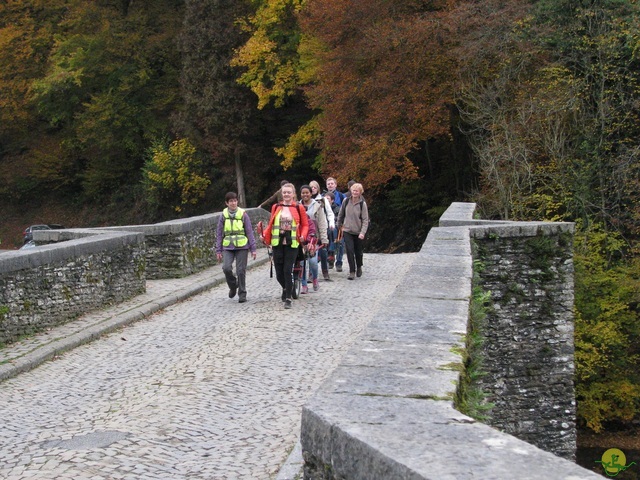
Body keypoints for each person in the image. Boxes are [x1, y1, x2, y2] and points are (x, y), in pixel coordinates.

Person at [263, 183, 310, 308]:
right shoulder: (276, 207)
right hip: (277, 242)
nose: (286, 194)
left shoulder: (298, 207)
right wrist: (265, 236)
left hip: (292, 243)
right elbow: (271, 224)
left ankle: (288, 297)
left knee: (287, 270)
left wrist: (303, 236)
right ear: (281, 194)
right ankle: (285, 288)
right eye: (284, 192)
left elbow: (305, 225)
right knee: (279, 273)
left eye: (289, 192)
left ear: (293, 194)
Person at [215, 192, 258, 303]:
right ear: (227, 203)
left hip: (242, 246)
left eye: (235, 200)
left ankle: (242, 293)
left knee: (240, 270)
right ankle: (233, 286)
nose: (233, 203)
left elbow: (249, 232)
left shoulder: (243, 214)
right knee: (226, 268)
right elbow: (219, 234)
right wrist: (218, 250)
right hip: (228, 247)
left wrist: (253, 249)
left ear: (237, 201)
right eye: (231, 201)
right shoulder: (223, 216)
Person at [336, 182, 369, 280]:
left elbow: (365, 220)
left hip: (358, 231)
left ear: (360, 192)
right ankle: (352, 271)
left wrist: (362, 232)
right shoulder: (346, 201)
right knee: (349, 251)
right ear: (350, 191)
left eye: (356, 191)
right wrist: (339, 225)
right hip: (347, 230)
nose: (354, 192)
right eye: (353, 190)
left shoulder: (362, 204)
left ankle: (359, 266)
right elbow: (341, 214)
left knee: (358, 252)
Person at [299, 184, 329, 293]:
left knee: (313, 262)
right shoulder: (297, 206)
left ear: (311, 193)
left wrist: (324, 239)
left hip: (313, 238)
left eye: (307, 192)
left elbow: (322, 222)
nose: (305, 195)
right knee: (301, 263)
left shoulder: (317, 206)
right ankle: (303, 285)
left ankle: (315, 278)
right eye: (303, 193)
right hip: (301, 239)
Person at [309, 180, 334, 281]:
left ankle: (325, 272)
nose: (313, 189)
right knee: (310, 252)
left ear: (318, 188)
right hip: (310, 229)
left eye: (315, 187)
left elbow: (329, 213)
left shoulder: (323, 200)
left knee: (323, 251)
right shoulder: (306, 201)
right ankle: (310, 274)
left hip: (322, 227)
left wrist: (331, 224)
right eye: (311, 187)